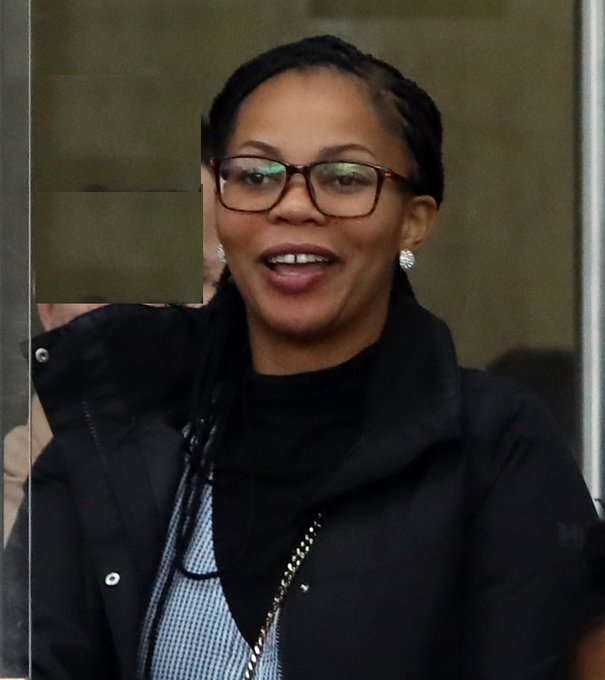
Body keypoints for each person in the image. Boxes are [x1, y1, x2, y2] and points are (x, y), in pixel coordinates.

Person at [5, 35, 597, 680]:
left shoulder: (496, 448)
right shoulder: (113, 444)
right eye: (255, 176)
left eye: (344, 179)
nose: (292, 205)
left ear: (415, 221)